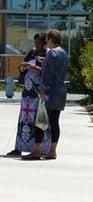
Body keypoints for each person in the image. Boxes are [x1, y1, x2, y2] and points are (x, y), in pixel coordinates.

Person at [23, 29, 69, 160]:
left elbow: (47, 75)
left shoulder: (52, 53)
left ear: (51, 40)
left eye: (47, 39)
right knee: (54, 122)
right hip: (61, 90)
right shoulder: (64, 53)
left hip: (49, 92)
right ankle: (52, 151)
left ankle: (36, 150)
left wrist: (43, 90)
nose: (46, 42)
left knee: (40, 120)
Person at [7, 33, 51, 156]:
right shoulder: (32, 52)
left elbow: (47, 72)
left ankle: (40, 148)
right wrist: (22, 67)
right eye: (36, 43)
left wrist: (33, 66)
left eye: (40, 43)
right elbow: (22, 65)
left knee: (38, 120)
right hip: (27, 93)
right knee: (24, 119)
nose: (37, 45)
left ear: (45, 42)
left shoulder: (48, 54)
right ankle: (19, 147)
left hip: (38, 92)